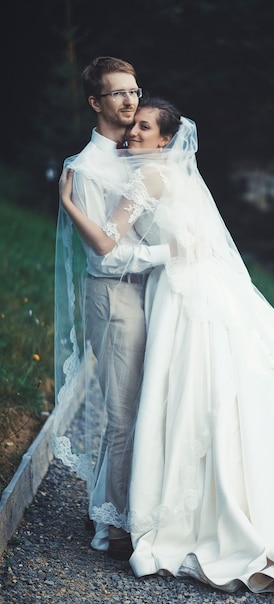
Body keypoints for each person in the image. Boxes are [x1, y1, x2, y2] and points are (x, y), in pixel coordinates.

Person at [58, 97, 274, 597]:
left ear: (165, 139)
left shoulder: (150, 178)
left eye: (143, 127)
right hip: (214, 288)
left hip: (180, 293)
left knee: (187, 393)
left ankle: (178, 509)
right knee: (237, 384)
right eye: (133, 126)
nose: (132, 134)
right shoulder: (180, 176)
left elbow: (106, 244)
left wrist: (72, 205)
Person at [53, 59, 176, 562]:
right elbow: (104, 258)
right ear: (95, 103)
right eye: (117, 94)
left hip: (145, 292)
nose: (129, 101)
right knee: (122, 416)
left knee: (140, 409)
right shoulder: (86, 168)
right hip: (116, 295)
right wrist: (167, 256)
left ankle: (119, 509)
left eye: (134, 91)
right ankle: (110, 529)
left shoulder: (132, 156)